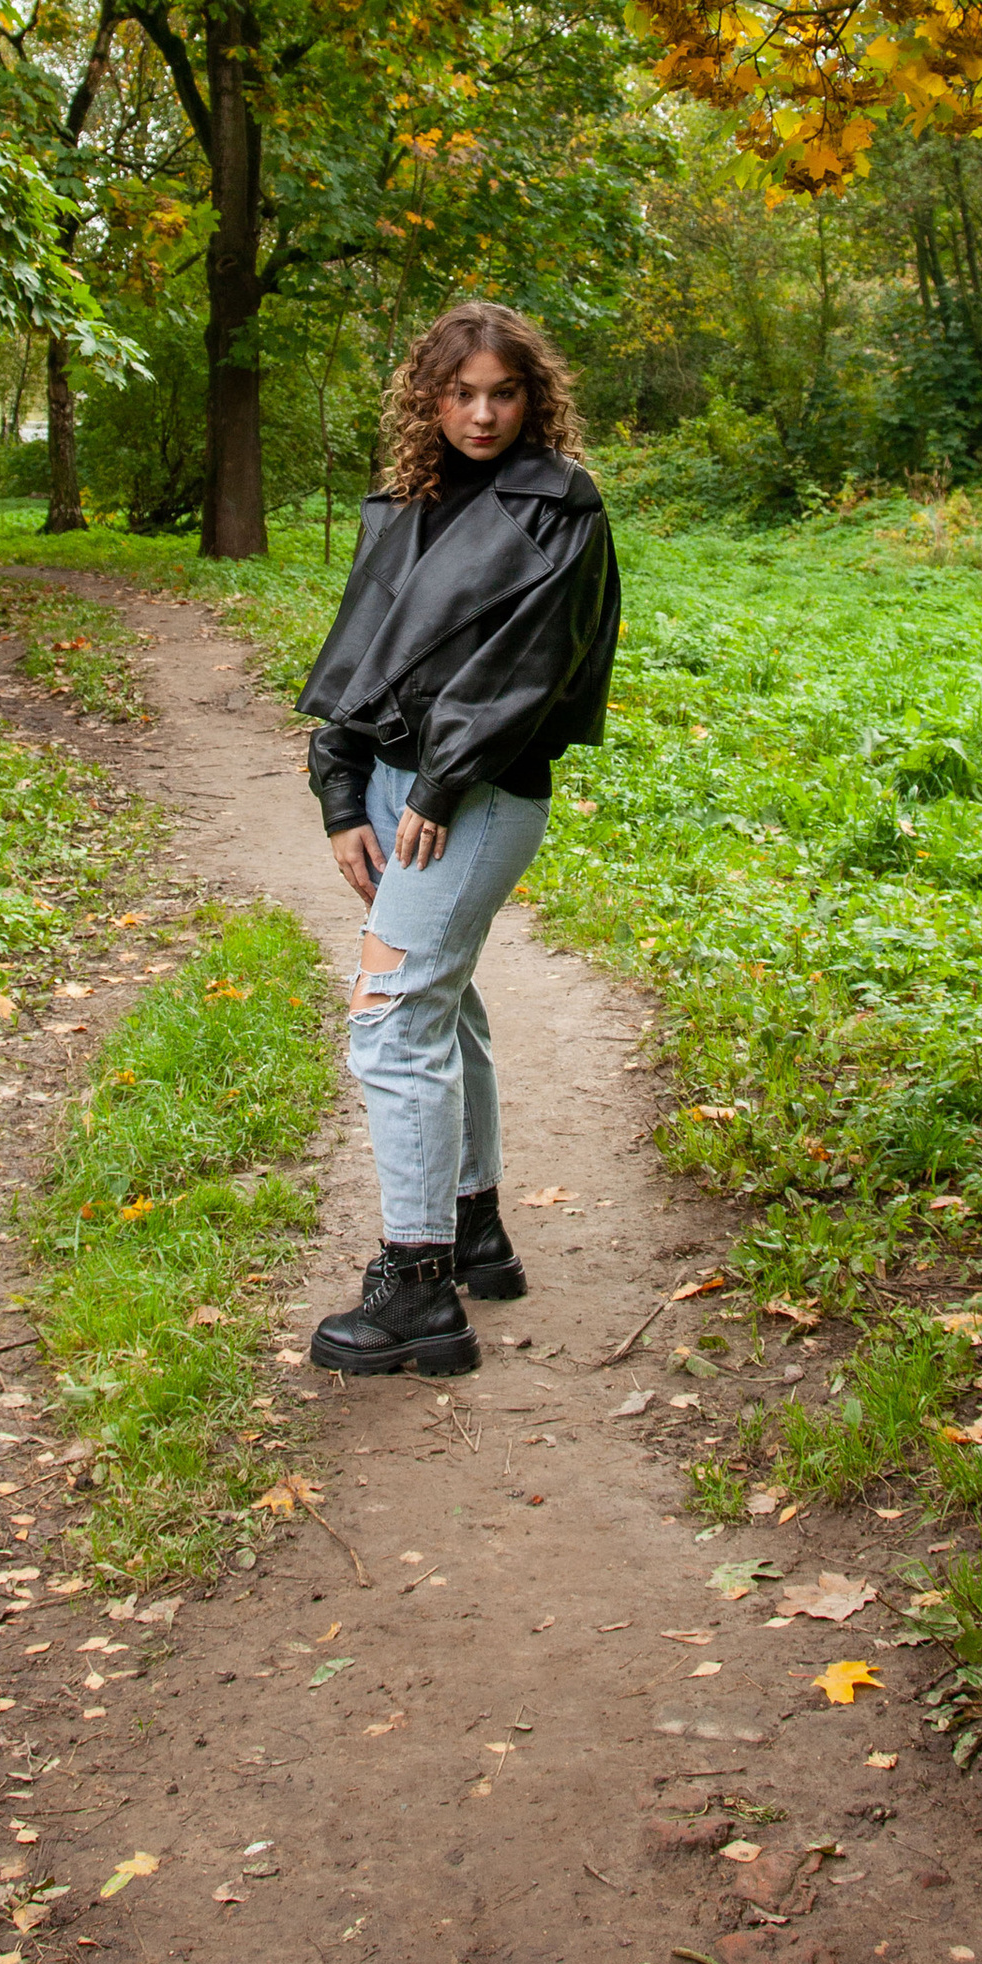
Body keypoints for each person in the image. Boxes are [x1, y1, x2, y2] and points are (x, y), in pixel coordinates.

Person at [296, 300, 622, 1377]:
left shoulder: (558, 504)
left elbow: (531, 665)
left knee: (391, 1019)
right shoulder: (405, 499)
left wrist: (437, 783)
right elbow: (362, 653)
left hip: (474, 796)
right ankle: (474, 1226)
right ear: (429, 399)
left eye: (504, 393)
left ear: (533, 399)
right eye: (462, 394)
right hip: (394, 790)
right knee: (445, 1004)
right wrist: (343, 793)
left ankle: (416, 1284)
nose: (482, 415)